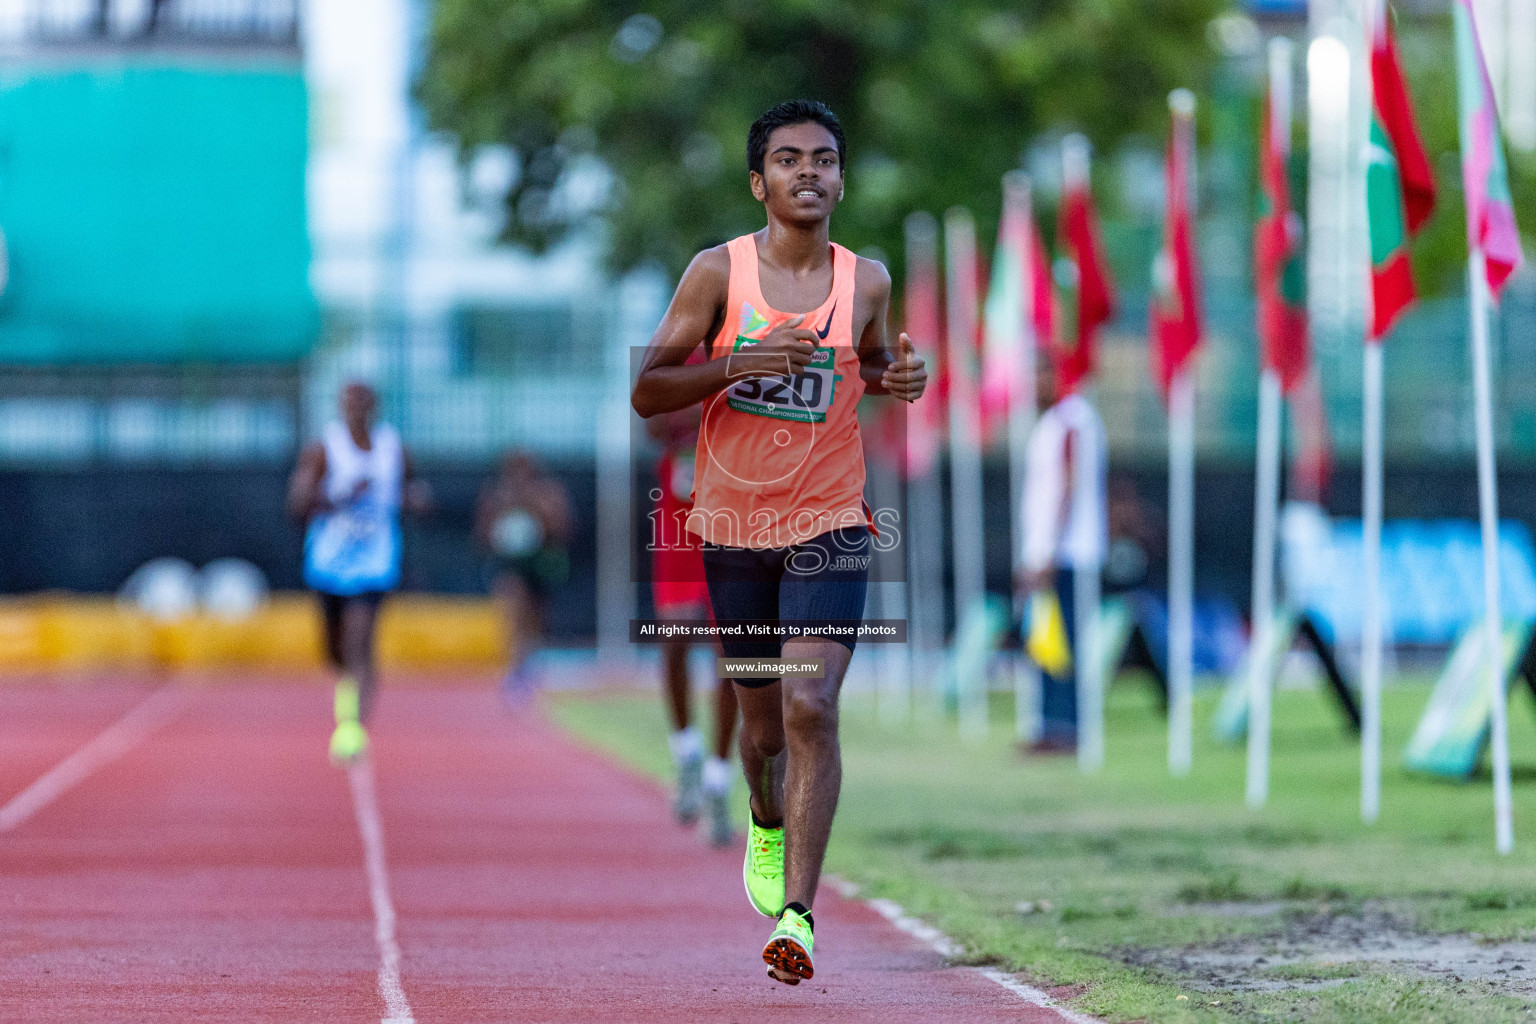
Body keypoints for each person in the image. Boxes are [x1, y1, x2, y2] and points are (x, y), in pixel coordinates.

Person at [631, 99, 927, 985]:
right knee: (760, 727)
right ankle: (765, 817)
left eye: (825, 159)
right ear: (760, 182)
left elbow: (868, 363)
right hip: (732, 528)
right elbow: (648, 390)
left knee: (811, 706)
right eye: (791, 159)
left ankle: (798, 916)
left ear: (840, 178)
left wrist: (899, 377)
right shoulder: (716, 275)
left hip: (831, 521)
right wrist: (734, 366)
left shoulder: (865, 279)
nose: (810, 172)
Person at [288, 382, 432, 763]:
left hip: (374, 560)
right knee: (334, 649)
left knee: (360, 640)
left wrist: (416, 499)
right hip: (329, 561)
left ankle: (352, 729)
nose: (356, 410)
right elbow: (297, 502)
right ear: (340, 406)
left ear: (375, 406)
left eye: (363, 403)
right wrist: (340, 496)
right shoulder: (323, 449)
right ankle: (346, 690)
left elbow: (412, 489)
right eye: (349, 403)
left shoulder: (393, 449)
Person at [649, 406, 738, 847]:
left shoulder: (752, 338)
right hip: (680, 524)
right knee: (674, 640)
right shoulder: (675, 343)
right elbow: (651, 418)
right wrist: (704, 401)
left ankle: (719, 780)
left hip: (734, 516)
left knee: (734, 660)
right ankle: (686, 752)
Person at [1014, 365, 1107, 755]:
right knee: (1045, 641)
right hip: (1050, 552)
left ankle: (1065, 729)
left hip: (1067, 555)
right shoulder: (1056, 420)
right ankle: (1049, 725)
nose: (1034, 382)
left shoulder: (1072, 419)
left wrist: (1049, 549)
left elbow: (1068, 483)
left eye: (1040, 373)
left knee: (1063, 643)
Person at [475, 452, 571, 700]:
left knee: (535, 614)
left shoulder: (547, 492)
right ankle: (515, 667)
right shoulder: (497, 494)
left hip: (540, 560)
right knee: (513, 607)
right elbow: (482, 533)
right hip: (508, 562)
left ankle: (529, 662)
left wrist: (532, 507)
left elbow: (561, 526)